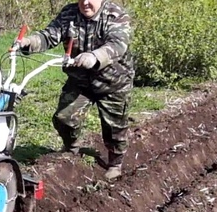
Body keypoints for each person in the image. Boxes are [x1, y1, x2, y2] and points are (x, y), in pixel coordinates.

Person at [18, 0, 135, 180]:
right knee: (63, 118)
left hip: (113, 82)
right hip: (80, 81)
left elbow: (117, 45)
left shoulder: (115, 15)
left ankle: (115, 163)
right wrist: (29, 42)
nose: (85, 3)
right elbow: (50, 35)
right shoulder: (69, 13)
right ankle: (72, 148)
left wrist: (94, 56)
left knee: (115, 128)